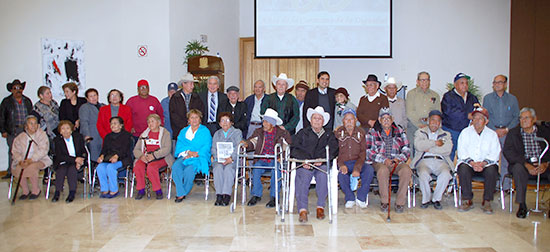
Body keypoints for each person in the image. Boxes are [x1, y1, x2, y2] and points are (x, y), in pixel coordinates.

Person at [291, 106, 338, 222]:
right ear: (310, 120)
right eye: (314, 118)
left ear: (323, 121)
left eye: (319, 118)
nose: (317, 120)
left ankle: (320, 207)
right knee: (303, 176)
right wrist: (304, 160)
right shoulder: (302, 133)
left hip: (321, 163)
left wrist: (322, 159)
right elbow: (294, 149)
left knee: (322, 175)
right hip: (305, 163)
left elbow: (334, 149)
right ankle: (302, 210)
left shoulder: (329, 134)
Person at [503, 107, 550, 218]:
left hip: (542, 163)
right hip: (522, 164)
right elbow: (508, 152)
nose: (523, 120)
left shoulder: (544, 132)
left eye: (526, 118)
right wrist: (526, 164)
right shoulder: (513, 133)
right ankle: (522, 205)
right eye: (521, 118)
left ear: (534, 119)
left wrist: (545, 163)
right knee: (518, 169)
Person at [242, 108, 292, 207]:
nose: (263, 123)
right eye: (263, 121)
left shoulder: (283, 133)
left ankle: (274, 196)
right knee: (256, 168)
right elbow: (253, 141)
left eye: (266, 121)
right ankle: (256, 194)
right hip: (262, 159)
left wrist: (281, 157)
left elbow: (288, 147)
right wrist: (246, 144)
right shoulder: (259, 132)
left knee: (276, 169)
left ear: (272, 123)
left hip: (275, 159)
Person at [366, 107, 412, 213]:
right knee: (383, 171)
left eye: (388, 118)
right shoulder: (372, 132)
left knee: (406, 170)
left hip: (396, 161)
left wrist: (398, 159)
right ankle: (384, 202)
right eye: (383, 118)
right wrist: (384, 160)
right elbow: (368, 151)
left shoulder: (399, 131)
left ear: (392, 119)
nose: (386, 121)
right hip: (380, 162)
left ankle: (400, 203)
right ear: (379, 119)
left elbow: (406, 149)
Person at [456, 107, 500, 214]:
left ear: (486, 121)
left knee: (492, 170)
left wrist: (483, 163)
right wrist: (472, 163)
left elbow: (495, 153)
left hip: (486, 164)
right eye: (474, 118)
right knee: (463, 168)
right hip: (469, 163)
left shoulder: (492, 135)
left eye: (480, 118)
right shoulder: (465, 132)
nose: (476, 121)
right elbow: (462, 152)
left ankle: (487, 201)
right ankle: (467, 199)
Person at [483, 74, 519, 191]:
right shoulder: (487, 98)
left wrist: (506, 129)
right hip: (492, 132)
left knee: (506, 159)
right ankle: (492, 186)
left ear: (505, 84)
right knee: (491, 160)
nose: (497, 84)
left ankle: (506, 186)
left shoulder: (512, 99)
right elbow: (486, 116)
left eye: (500, 82)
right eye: (495, 82)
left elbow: (516, 117)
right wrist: (495, 130)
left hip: (507, 133)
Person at [411, 110, 453, 210]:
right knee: (423, 174)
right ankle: (425, 200)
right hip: (424, 160)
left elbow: (447, 150)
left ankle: (436, 199)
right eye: (433, 120)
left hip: (441, 161)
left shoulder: (446, 135)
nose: (435, 123)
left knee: (446, 174)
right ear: (428, 120)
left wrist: (430, 149)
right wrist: (435, 143)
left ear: (440, 123)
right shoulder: (420, 132)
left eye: (438, 121)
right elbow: (419, 146)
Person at [335, 109, 373, 209]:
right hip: (344, 163)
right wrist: (341, 165)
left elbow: (363, 153)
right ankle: (350, 197)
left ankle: (361, 197)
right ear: (343, 121)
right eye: (346, 119)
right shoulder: (337, 133)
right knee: (341, 175)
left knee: (369, 170)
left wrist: (357, 168)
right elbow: (335, 151)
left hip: (358, 162)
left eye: (351, 119)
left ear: (356, 120)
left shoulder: (361, 132)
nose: (349, 122)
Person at [172, 109, 212, 203]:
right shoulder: (183, 131)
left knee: (188, 171)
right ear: (188, 120)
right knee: (176, 167)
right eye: (192, 117)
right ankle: (181, 192)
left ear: (200, 119)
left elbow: (207, 145)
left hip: (199, 157)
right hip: (185, 155)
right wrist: (188, 152)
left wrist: (196, 154)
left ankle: (182, 192)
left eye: (196, 117)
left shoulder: (205, 131)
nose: (194, 120)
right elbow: (180, 146)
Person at [133, 114, 174, 200]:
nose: (150, 124)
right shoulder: (144, 134)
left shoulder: (165, 133)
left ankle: (158, 190)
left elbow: (167, 149)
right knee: (138, 166)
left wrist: (154, 156)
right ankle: (141, 189)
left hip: (161, 157)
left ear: (159, 123)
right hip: (146, 157)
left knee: (151, 168)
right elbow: (136, 149)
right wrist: (141, 156)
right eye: (148, 122)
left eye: (152, 121)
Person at [11, 115, 52, 199]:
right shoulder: (20, 137)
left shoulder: (42, 135)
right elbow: (15, 151)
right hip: (23, 160)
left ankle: (35, 190)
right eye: (31, 123)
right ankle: (25, 191)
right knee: (18, 168)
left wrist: (31, 160)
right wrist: (20, 160)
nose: (33, 126)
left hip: (39, 159)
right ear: (26, 126)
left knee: (32, 167)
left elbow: (43, 150)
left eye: (35, 123)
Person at [441, 73, 480, 160]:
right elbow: (449, 112)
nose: (465, 85)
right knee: (449, 154)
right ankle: (449, 172)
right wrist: (467, 115)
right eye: (462, 83)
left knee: (467, 155)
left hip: (468, 131)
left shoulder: (472, 97)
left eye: (466, 83)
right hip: (452, 130)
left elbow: (477, 111)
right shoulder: (448, 96)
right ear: (455, 84)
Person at [0, 79, 33, 179]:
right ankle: (11, 172)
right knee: (13, 151)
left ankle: (25, 171)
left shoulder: (27, 101)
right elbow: (1, 116)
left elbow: (31, 114)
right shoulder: (6, 102)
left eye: (20, 88)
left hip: (25, 130)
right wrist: (3, 130)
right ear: (11, 90)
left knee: (26, 151)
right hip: (12, 130)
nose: (18, 90)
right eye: (15, 88)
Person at [96, 116, 133, 199]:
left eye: (115, 123)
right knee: (100, 167)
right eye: (111, 124)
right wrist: (101, 156)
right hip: (109, 159)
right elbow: (104, 149)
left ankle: (114, 190)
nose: (113, 125)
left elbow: (125, 149)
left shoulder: (126, 135)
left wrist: (116, 156)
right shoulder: (108, 137)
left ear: (121, 125)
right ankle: (105, 189)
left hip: (123, 158)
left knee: (110, 167)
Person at [211, 112, 242, 206]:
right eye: (222, 121)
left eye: (227, 120)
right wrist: (217, 157)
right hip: (219, 159)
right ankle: (219, 195)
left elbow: (238, 147)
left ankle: (226, 195)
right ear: (219, 123)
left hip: (232, 159)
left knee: (229, 169)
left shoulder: (237, 132)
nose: (225, 123)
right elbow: (213, 148)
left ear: (231, 122)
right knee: (218, 169)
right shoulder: (217, 133)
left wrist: (231, 158)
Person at [406, 71, 441, 153]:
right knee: (414, 149)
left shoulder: (435, 95)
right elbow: (410, 112)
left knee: (428, 149)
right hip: (414, 126)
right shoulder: (411, 94)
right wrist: (420, 125)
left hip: (430, 127)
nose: (424, 82)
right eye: (422, 80)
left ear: (429, 81)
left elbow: (437, 112)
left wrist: (429, 125)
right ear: (417, 82)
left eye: (426, 80)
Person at [52, 120, 86, 203]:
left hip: (76, 161)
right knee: (61, 171)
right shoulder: (57, 140)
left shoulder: (78, 137)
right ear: (60, 131)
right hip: (63, 161)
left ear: (71, 130)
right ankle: (57, 192)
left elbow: (84, 151)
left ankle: (72, 192)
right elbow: (60, 156)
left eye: (67, 128)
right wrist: (74, 159)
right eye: (63, 129)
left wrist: (80, 160)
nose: (65, 131)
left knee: (72, 170)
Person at [169, 73, 204, 139]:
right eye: (191, 84)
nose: (193, 86)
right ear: (184, 84)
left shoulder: (196, 97)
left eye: (193, 84)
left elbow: (201, 112)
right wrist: (185, 127)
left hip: (195, 131)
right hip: (180, 131)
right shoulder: (175, 98)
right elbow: (173, 116)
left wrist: (194, 124)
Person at [79, 88, 105, 161]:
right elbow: (84, 122)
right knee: (94, 156)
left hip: (103, 134)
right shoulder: (84, 107)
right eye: (91, 96)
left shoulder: (103, 106)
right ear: (87, 98)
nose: (93, 98)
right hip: (92, 134)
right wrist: (87, 135)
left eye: (95, 95)